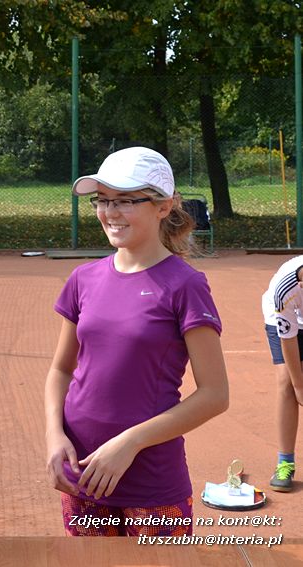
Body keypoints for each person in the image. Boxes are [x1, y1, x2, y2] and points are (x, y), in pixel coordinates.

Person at [44, 146, 229, 536]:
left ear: (163, 206)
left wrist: (129, 443)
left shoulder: (186, 285)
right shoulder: (82, 279)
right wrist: (54, 435)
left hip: (152, 486)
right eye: (103, 200)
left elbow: (215, 395)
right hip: (82, 476)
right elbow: (61, 369)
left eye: (126, 200)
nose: (110, 212)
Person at [261, 256, 303, 492]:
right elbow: (289, 339)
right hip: (284, 316)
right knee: (287, 382)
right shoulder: (285, 288)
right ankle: (285, 462)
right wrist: (300, 386)